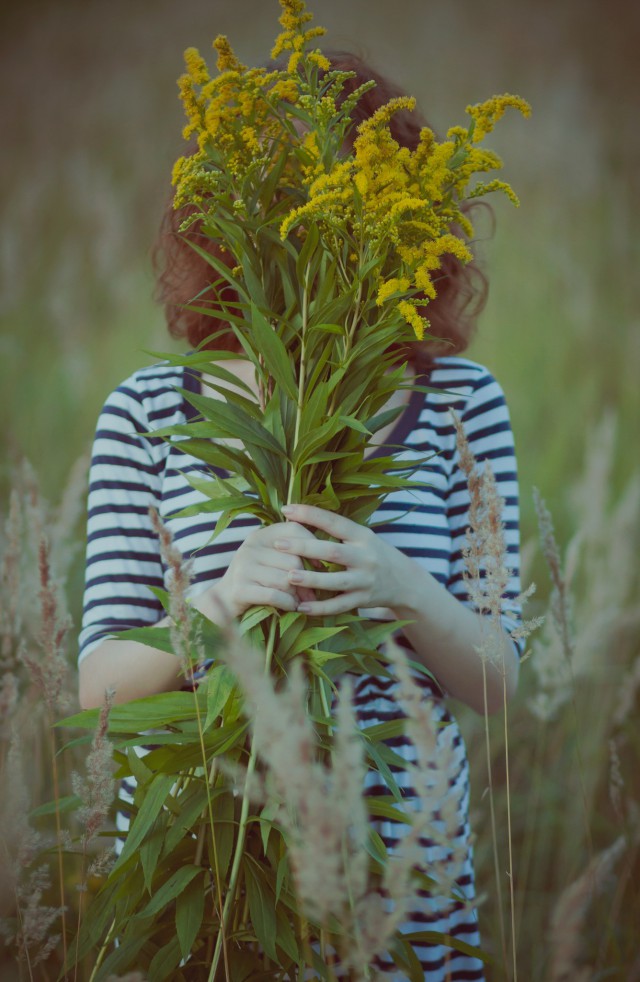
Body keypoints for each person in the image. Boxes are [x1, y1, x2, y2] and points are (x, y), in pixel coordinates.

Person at [78, 53, 522, 982]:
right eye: (291, 186)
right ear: (234, 203)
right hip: (214, 863)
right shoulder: (150, 408)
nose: (317, 208)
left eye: (346, 185)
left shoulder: (459, 402)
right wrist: (223, 600)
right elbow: (97, 690)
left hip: (400, 870)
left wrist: (401, 587)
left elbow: (502, 683)